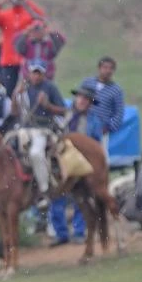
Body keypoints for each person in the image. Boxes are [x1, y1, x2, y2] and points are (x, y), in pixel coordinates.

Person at [49, 83, 95, 246]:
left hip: (82, 161)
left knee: (81, 197)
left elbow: (95, 144)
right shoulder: (66, 115)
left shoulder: (92, 121)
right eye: (80, 97)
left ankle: (79, 232)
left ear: (90, 103)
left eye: (86, 99)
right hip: (64, 160)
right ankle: (61, 233)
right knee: (56, 194)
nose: (82, 101)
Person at [15, 61, 64, 208]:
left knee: (36, 153)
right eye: (33, 72)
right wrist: (15, 96)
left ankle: (44, 189)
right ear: (29, 73)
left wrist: (47, 105)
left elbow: (63, 110)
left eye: (38, 73)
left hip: (43, 129)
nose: (35, 76)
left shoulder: (50, 88)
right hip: (25, 129)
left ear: (43, 74)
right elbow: (14, 111)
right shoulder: (25, 88)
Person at [0, 0, 46, 96]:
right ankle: (11, 112)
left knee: (29, 91)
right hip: (8, 59)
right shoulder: (5, 15)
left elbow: (41, 19)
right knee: (9, 91)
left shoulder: (28, 14)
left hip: (26, 60)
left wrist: (27, 4)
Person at [80, 56, 125, 143]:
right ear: (99, 68)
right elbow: (77, 102)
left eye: (111, 68)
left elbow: (119, 114)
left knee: (99, 154)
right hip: (82, 125)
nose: (108, 71)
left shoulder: (116, 90)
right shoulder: (87, 83)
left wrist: (108, 128)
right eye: (105, 67)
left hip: (100, 130)